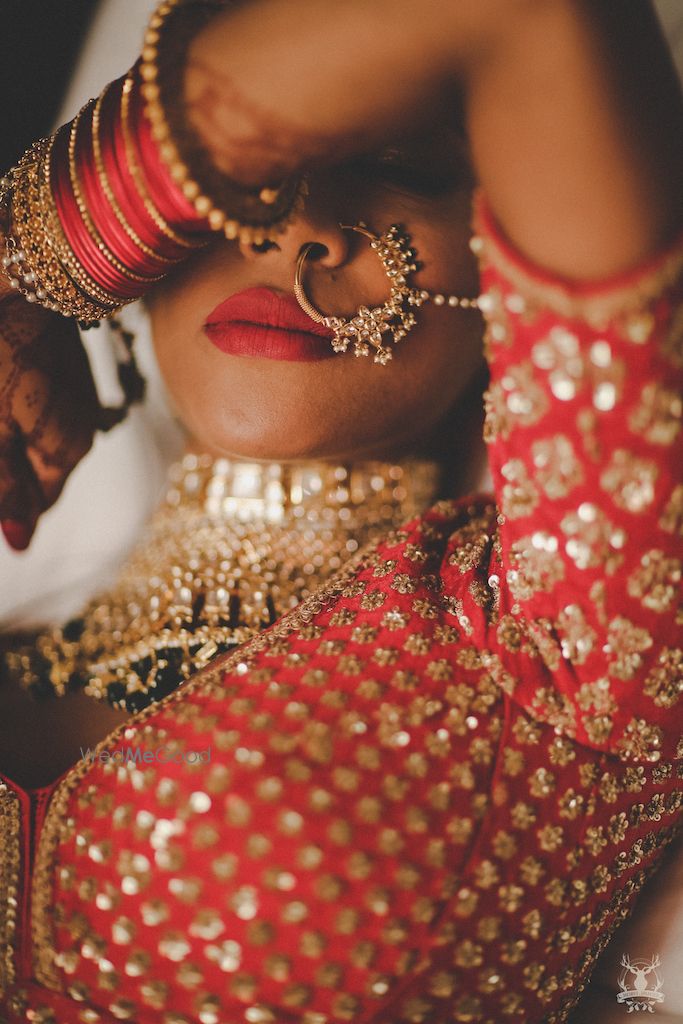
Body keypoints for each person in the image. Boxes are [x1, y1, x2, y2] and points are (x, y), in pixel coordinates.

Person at [0, 1, 681, 1022]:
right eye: (231, 189)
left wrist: (31, 254)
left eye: (403, 161)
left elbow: (522, 13)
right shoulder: (19, 643)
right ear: (139, 269)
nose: (293, 229)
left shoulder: (574, 636)